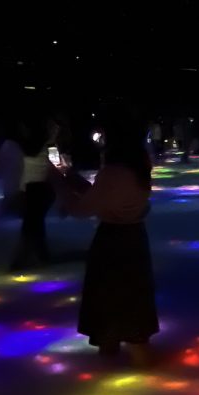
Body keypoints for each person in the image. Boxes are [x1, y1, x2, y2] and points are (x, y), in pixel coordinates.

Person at [56, 124, 157, 363]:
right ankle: (133, 343)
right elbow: (107, 196)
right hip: (135, 239)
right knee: (134, 293)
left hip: (113, 241)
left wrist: (59, 184)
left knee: (111, 295)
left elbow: (85, 207)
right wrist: (74, 180)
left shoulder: (114, 172)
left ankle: (118, 348)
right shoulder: (139, 167)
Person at [10, 119, 55, 271]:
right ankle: (41, 256)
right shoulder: (43, 146)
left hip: (34, 189)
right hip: (41, 189)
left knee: (30, 226)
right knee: (35, 225)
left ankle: (24, 260)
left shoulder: (30, 148)